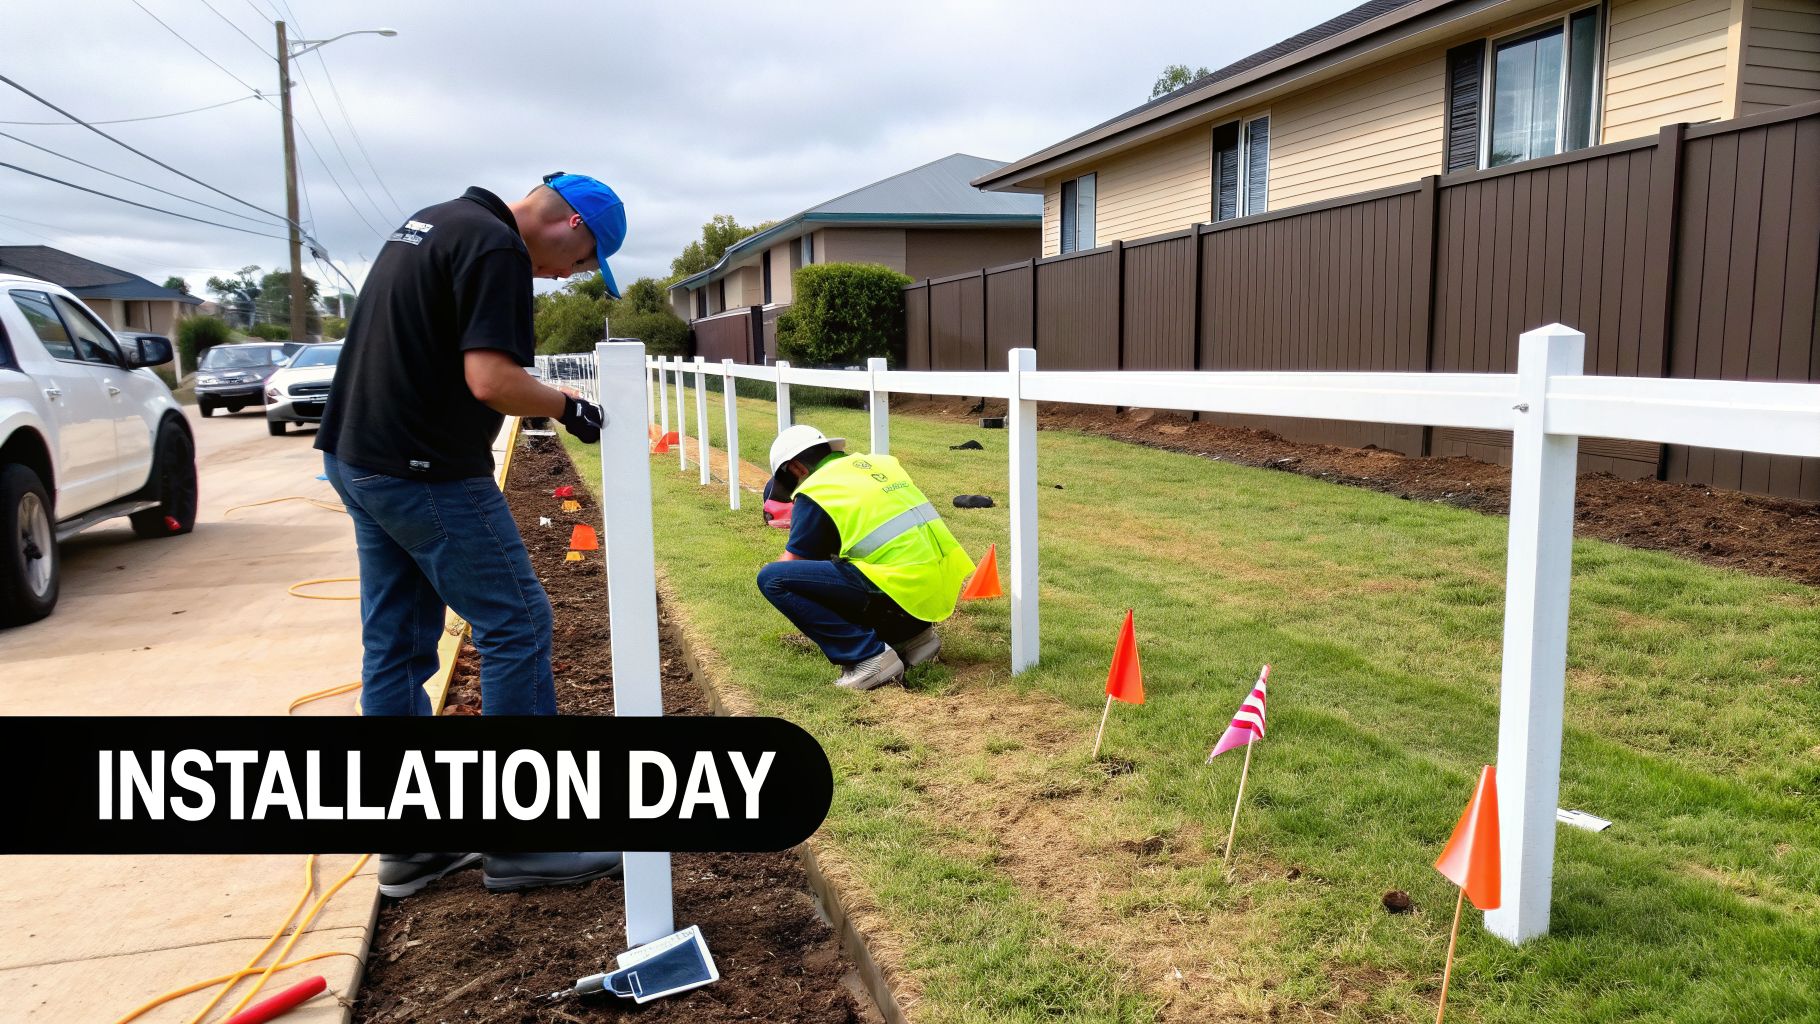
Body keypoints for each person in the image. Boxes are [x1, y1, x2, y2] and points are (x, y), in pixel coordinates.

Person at [315, 173, 621, 897]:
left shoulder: (433, 221)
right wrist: (567, 404)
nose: (565, 276)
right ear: (571, 224)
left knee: (396, 646)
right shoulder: (496, 250)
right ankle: (525, 841)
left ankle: (413, 844)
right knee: (516, 622)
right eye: (581, 261)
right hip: (424, 470)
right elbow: (491, 378)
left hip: (359, 456)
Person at [756, 424, 975, 691]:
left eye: (790, 486)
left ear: (797, 469)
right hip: (934, 582)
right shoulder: (878, 465)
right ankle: (915, 639)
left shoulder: (817, 488)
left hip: (897, 585)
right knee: (842, 564)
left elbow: (794, 564)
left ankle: (869, 657)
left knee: (773, 579)